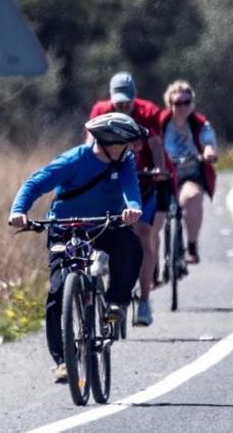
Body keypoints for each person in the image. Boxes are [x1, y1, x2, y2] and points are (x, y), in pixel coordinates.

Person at [8, 112, 147, 383]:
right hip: (65, 228)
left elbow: (131, 191)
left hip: (103, 226)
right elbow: (35, 183)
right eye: (126, 143)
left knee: (130, 244)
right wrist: (19, 210)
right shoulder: (74, 160)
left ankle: (116, 303)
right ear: (111, 143)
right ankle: (62, 360)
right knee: (58, 291)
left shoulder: (125, 162)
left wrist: (133, 207)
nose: (130, 148)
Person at [87, 72, 169, 327]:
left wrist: (158, 169)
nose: (122, 106)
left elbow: (155, 145)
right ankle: (101, 264)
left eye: (127, 101)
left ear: (134, 97)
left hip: (142, 183)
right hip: (110, 182)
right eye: (118, 101)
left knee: (144, 234)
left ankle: (144, 301)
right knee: (101, 224)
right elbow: (90, 141)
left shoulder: (147, 112)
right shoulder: (101, 110)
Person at [160, 80, 218, 264]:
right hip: (164, 172)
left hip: (190, 172)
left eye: (186, 102)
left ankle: (191, 245)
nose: (182, 107)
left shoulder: (199, 124)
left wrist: (208, 153)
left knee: (191, 196)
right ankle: (152, 269)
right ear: (169, 104)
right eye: (177, 103)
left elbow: (208, 142)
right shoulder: (160, 123)